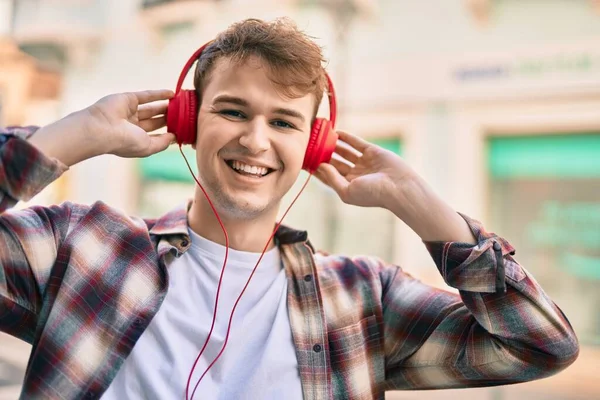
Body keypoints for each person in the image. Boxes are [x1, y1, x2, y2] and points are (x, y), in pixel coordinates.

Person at [0, 18, 579, 400]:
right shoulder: (82, 245)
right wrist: (73, 136)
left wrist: (421, 205)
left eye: (283, 122)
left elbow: (539, 345)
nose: (256, 140)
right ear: (187, 121)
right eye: (232, 111)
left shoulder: (360, 298)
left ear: (313, 145)